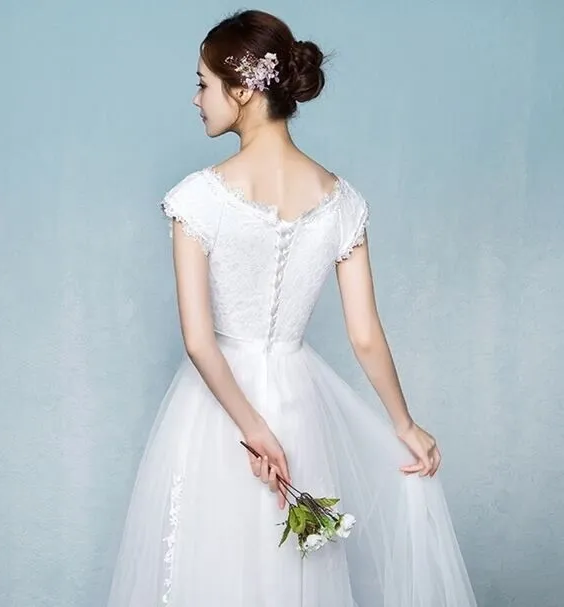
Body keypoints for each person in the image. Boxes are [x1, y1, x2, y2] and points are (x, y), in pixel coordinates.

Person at [106, 9, 478, 607]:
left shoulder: (198, 198)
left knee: (212, 567)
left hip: (219, 411)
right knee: (293, 576)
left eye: (203, 83)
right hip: (299, 405)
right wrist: (404, 425)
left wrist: (254, 432)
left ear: (243, 89)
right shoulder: (342, 202)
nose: (196, 99)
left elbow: (199, 341)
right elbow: (365, 334)